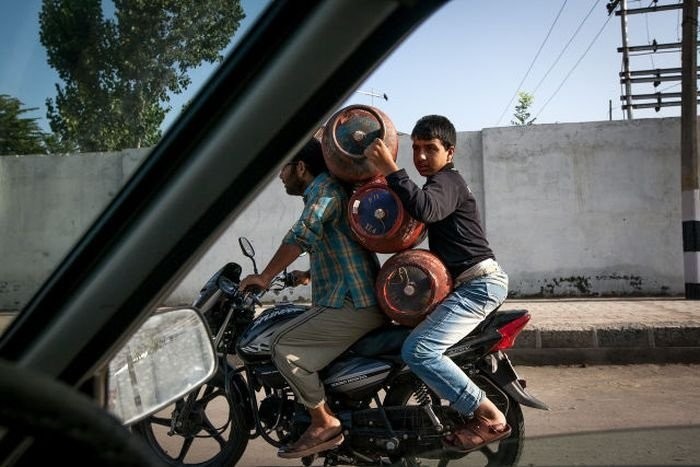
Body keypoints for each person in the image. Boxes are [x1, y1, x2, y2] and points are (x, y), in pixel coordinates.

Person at [364, 115, 511, 452]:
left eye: (430, 149)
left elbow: (425, 209)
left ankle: (489, 416)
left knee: (419, 350)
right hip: (470, 285)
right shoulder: (438, 184)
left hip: (479, 286)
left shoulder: (448, 181)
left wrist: (391, 169)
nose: (421, 156)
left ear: (450, 152)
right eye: (415, 148)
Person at [239, 138, 387, 459]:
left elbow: (303, 233)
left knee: (282, 346)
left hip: (354, 304)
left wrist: (264, 276)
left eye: (284, 168)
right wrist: (304, 275)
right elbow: (334, 245)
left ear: (301, 168)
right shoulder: (329, 191)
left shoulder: (324, 192)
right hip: (352, 298)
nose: (280, 176)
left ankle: (323, 423)